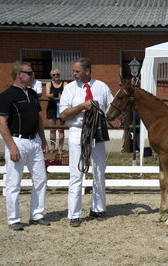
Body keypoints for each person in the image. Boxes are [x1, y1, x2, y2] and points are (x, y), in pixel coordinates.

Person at [59, 58, 113, 227]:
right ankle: (74, 214)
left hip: (96, 133)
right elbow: (63, 114)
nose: (74, 74)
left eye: (77, 71)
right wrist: (82, 106)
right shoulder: (69, 89)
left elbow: (111, 109)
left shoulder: (102, 87)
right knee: (76, 173)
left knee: (99, 171)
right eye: (74, 71)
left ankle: (98, 208)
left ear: (87, 72)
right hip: (78, 132)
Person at [0, 61, 50, 230]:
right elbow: (1, 122)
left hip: (34, 141)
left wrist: (43, 139)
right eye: (29, 72)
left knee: (41, 180)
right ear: (19, 74)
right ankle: (14, 219)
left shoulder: (33, 94)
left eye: (32, 72)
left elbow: (39, 118)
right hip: (17, 141)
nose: (32, 75)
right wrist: (12, 146)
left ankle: (37, 214)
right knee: (14, 182)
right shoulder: (7, 96)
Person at [45, 69, 67, 153]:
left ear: (59, 75)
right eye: (54, 75)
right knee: (52, 129)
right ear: (51, 76)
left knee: (61, 129)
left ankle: (60, 147)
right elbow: (47, 94)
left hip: (61, 108)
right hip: (51, 108)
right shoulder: (48, 84)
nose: (56, 76)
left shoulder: (64, 83)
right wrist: (58, 95)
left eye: (57, 74)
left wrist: (53, 95)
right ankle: (52, 147)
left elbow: (66, 94)